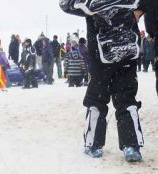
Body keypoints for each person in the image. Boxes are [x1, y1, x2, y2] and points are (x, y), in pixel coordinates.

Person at [60, 0, 146, 162]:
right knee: (126, 98)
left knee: (97, 99)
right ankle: (131, 145)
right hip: (127, 52)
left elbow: (66, 4)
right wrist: (140, 10)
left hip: (101, 55)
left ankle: (93, 144)